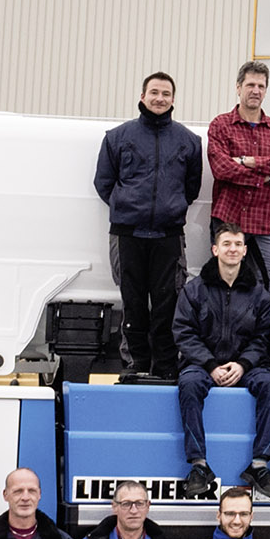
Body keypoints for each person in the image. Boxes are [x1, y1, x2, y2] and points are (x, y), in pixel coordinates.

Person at [93, 70, 204, 375]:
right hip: (128, 234)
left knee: (168, 304)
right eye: (154, 92)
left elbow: (191, 188)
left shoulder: (188, 141)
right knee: (133, 303)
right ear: (142, 96)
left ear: (173, 100)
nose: (160, 98)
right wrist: (128, 207)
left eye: (166, 94)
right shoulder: (117, 138)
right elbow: (104, 183)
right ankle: (135, 365)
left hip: (167, 235)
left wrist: (171, 208)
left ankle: (167, 367)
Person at [176, 222, 270, 497]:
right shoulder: (194, 290)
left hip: (248, 366)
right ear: (215, 249)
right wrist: (211, 365)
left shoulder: (260, 293)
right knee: (188, 384)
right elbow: (183, 332)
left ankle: (260, 464)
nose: (232, 249)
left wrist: (243, 364)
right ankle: (199, 466)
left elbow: (264, 336)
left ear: (245, 250)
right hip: (203, 365)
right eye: (226, 243)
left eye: (238, 244)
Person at [208, 60, 270, 288]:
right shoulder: (221, 125)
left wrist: (249, 161)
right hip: (229, 217)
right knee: (224, 283)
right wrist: (267, 175)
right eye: (250, 85)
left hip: (267, 221)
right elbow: (222, 169)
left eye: (261, 86)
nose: (256, 91)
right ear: (238, 87)